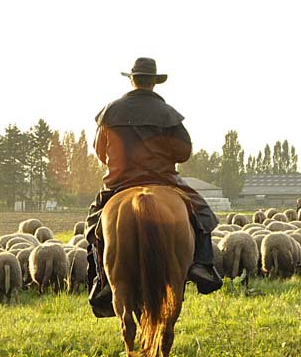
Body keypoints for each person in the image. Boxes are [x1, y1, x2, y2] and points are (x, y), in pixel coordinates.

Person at [85, 57, 223, 318]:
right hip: (164, 181)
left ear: (132, 79)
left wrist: (121, 164)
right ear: (154, 82)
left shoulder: (110, 112)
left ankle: (101, 280)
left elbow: (100, 151)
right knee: (203, 215)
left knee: (93, 226)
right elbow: (183, 153)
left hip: (120, 183)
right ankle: (203, 265)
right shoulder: (168, 114)